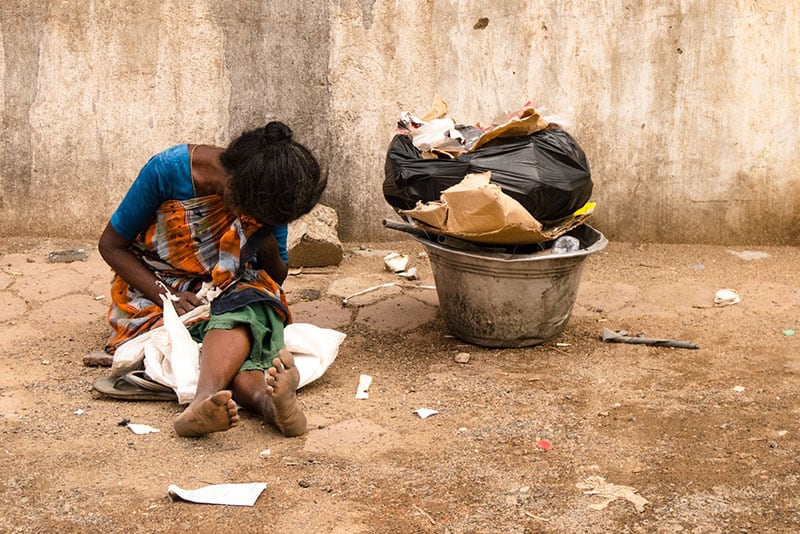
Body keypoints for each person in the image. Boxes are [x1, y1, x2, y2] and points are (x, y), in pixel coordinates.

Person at [92, 121, 326, 438]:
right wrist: (168, 296)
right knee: (244, 324)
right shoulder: (167, 171)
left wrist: (266, 240)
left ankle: (260, 403)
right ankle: (232, 401)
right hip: (158, 285)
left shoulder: (270, 190)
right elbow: (111, 246)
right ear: (234, 189)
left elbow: (277, 274)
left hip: (232, 286)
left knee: (247, 305)